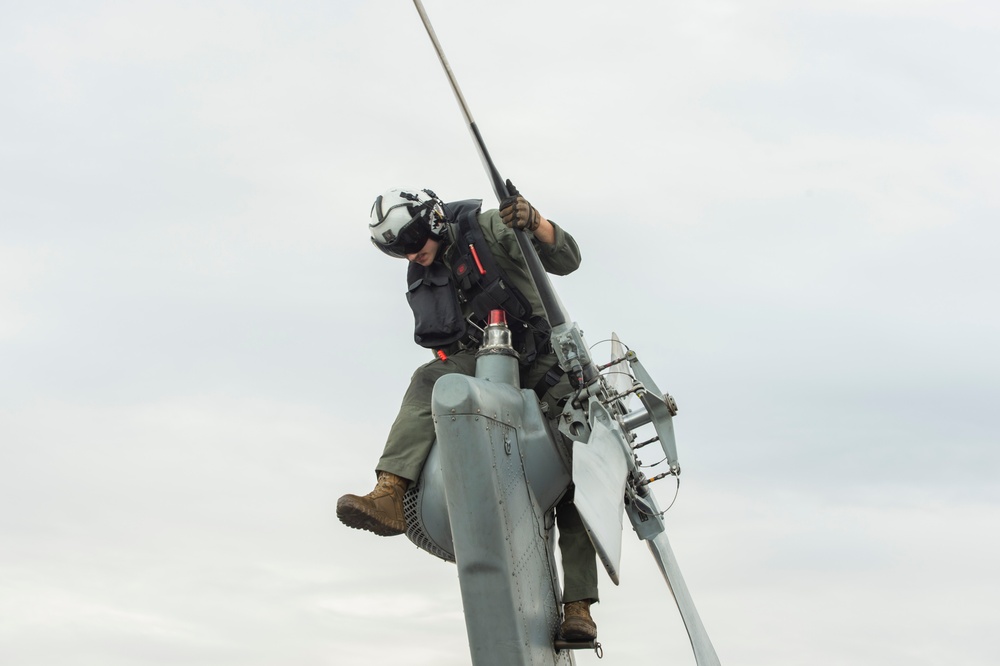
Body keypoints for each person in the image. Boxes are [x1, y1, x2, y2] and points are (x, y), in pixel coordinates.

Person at [337, 184, 598, 641]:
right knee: (426, 380)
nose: (411, 257)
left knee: (576, 478)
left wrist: (534, 221)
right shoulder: (426, 269)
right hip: (486, 362)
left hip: (547, 364)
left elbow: (568, 258)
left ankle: (578, 607)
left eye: (413, 244)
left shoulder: (492, 228)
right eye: (400, 252)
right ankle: (390, 493)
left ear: (432, 224)